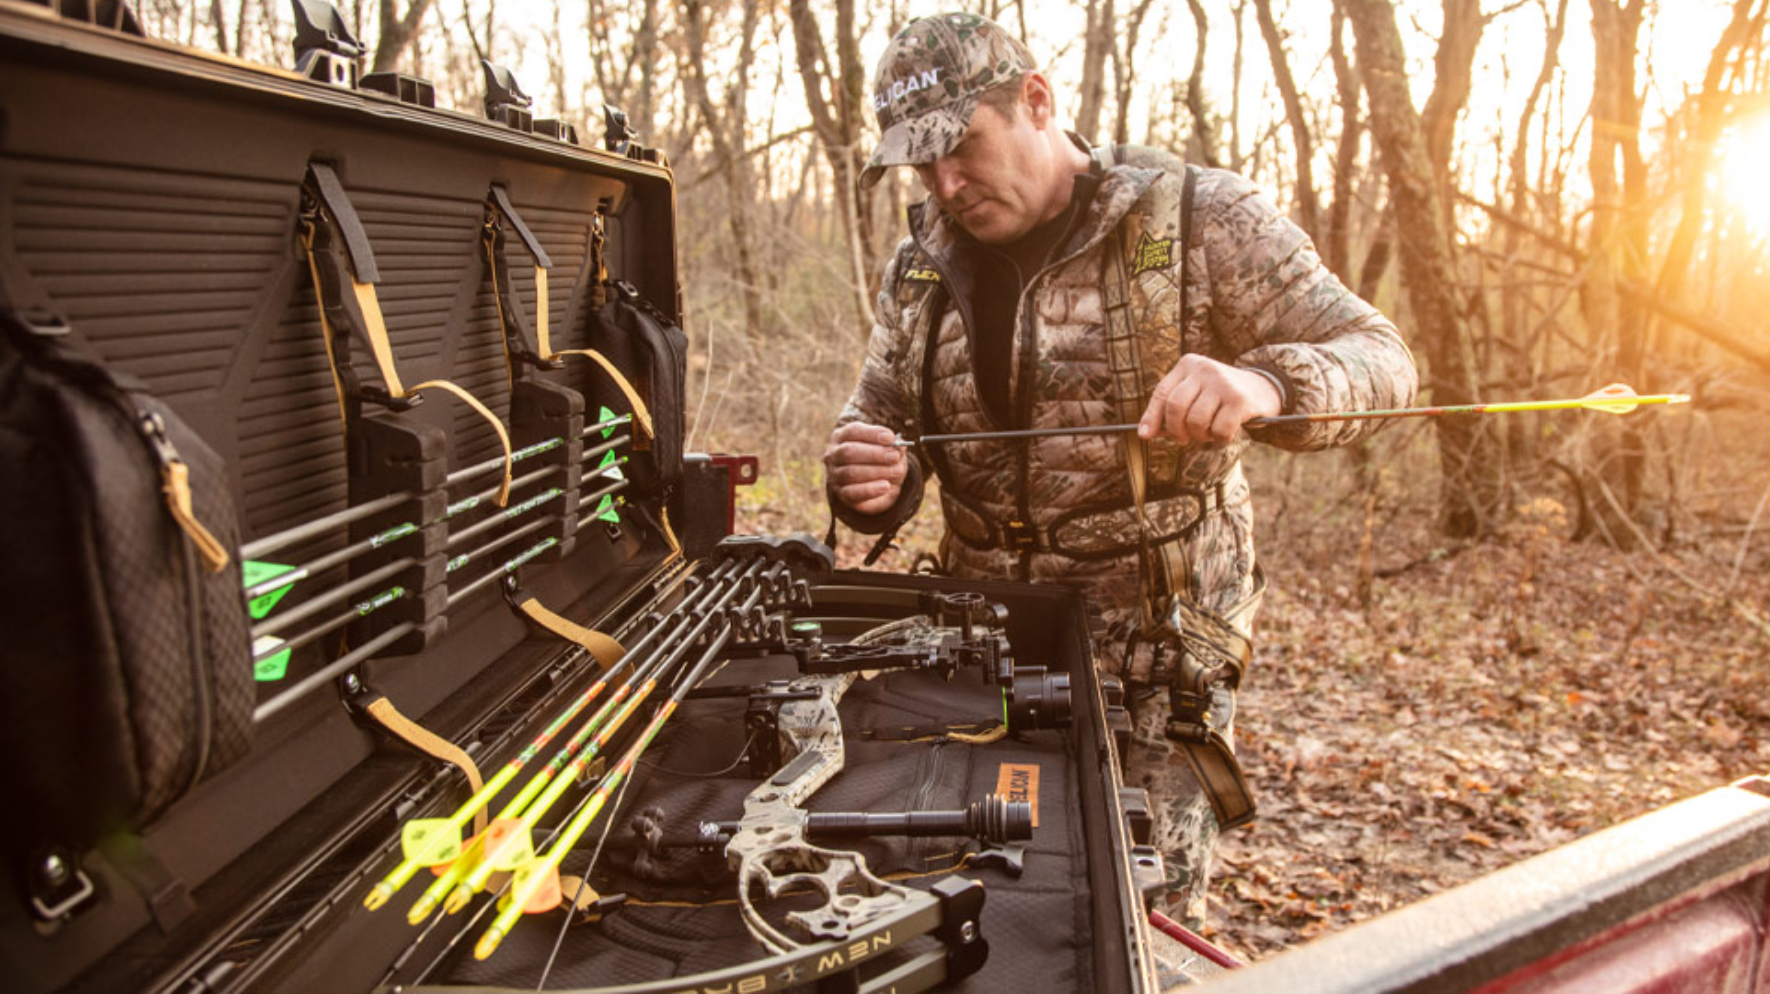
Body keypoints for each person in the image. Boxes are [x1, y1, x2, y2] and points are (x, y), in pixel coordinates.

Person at [823, 12, 1418, 930]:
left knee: (1135, 930)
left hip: (1151, 672)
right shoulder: (920, 264)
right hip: (980, 655)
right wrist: (866, 477)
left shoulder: (1196, 219)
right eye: (920, 163)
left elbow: (1383, 360)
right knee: (985, 915)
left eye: (965, 147)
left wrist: (1263, 383)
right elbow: (881, 422)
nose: (946, 183)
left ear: (1037, 100)